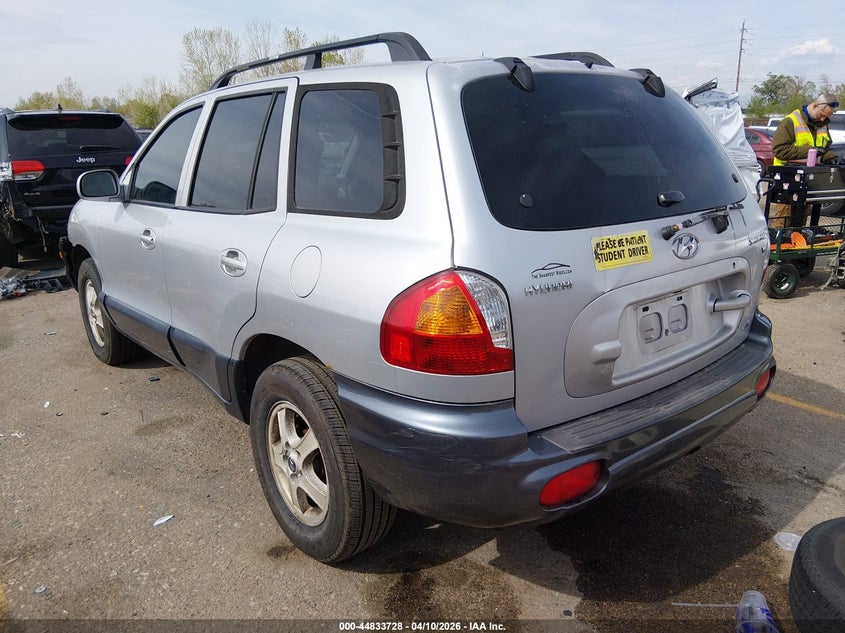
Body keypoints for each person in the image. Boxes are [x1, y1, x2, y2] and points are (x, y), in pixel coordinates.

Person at [769, 94, 844, 228]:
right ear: (815, 105)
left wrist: (832, 158)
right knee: (783, 223)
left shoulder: (822, 124)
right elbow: (779, 150)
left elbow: (824, 149)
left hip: (808, 179)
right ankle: (779, 247)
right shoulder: (790, 121)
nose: (823, 119)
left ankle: (797, 246)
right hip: (787, 180)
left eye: (827, 117)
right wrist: (810, 150)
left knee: (800, 222)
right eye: (822, 115)